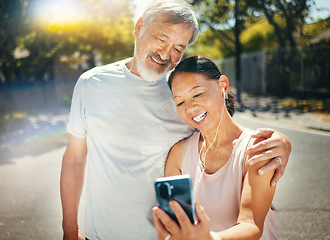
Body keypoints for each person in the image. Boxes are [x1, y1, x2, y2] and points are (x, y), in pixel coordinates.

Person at [60, 1, 291, 239]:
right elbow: (74, 158)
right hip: (100, 234)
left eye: (178, 48)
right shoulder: (91, 84)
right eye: (161, 39)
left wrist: (281, 141)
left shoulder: (180, 91)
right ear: (139, 27)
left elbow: (222, 130)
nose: (165, 54)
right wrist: (69, 229)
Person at [152, 56, 281, 240]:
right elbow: (177, 224)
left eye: (197, 94)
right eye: (180, 102)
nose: (190, 108)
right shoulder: (179, 154)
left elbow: (251, 226)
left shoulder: (258, 149)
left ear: (224, 86)